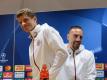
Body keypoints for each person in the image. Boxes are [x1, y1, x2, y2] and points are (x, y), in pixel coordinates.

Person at [16, 8, 68, 80]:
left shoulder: (46, 30)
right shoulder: (32, 42)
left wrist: (49, 75)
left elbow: (63, 53)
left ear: (34, 19)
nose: (23, 24)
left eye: (25, 20)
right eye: (20, 22)